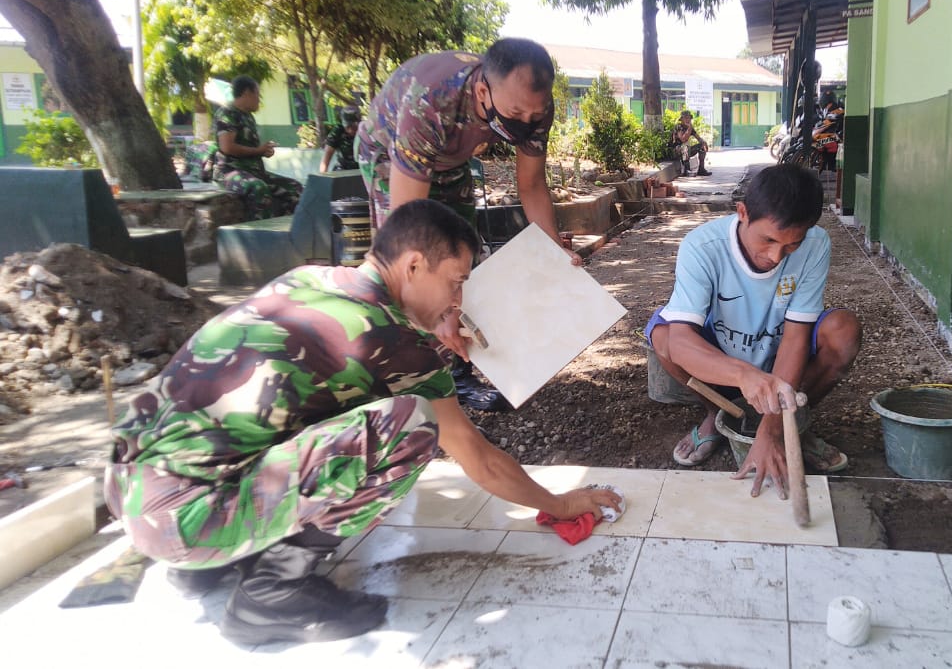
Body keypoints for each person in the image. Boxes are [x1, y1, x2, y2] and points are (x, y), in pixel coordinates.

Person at [104, 199, 621, 646]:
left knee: (304, 414)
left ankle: (209, 565)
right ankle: (272, 594)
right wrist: (560, 502)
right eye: (457, 282)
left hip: (131, 490)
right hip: (182, 522)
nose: (459, 302)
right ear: (414, 265)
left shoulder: (309, 280)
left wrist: (429, 322)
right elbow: (479, 460)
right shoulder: (400, 348)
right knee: (410, 427)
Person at [357, 37, 572, 412]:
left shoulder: (535, 106)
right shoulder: (433, 100)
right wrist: (440, 308)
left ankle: (455, 373)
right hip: (388, 155)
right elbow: (408, 226)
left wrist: (555, 253)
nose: (525, 123)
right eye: (516, 112)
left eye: (534, 116)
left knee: (460, 258)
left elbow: (532, 185)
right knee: (406, 268)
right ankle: (398, 374)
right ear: (483, 91)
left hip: (450, 163)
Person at [646, 163, 862, 497]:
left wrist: (771, 430)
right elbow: (682, 344)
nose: (776, 256)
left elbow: (795, 339)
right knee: (663, 336)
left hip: (780, 355)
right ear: (743, 213)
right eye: (769, 240)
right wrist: (745, 375)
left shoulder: (815, 245)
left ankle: (794, 424)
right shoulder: (702, 247)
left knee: (843, 332)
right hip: (722, 358)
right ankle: (718, 416)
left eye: (791, 245)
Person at [213, 75, 303, 219]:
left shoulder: (248, 116)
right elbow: (227, 147)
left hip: (254, 171)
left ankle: (286, 228)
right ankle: (259, 233)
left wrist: (263, 151)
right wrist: (258, 150)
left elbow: (249, 148)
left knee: (295, 188)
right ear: (247, 93)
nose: (259, 100)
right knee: (258, 188)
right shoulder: (227, 113)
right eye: (257, 95)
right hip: (230, 172)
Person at [320, 105, 361, 172]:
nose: (351, 130)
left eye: (354, 127)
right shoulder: (338, 130)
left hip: (362, 169)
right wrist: (323, 175)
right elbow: (328, 152)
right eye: (348, 127)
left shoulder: (364, 129)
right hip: (343, 168)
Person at [672, 110, 711, 176]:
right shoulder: (678, 127)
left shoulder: (690, 128)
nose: (688, 120)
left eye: (689, 118)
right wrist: (689, 128)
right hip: (676, 151)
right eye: (686, 118)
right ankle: (686, 170)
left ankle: (701, 169)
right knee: (685, 146)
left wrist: (704, 142)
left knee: (701, 145)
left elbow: (698, 138)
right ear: (681, 119)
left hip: (686, 151)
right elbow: (683, 139)